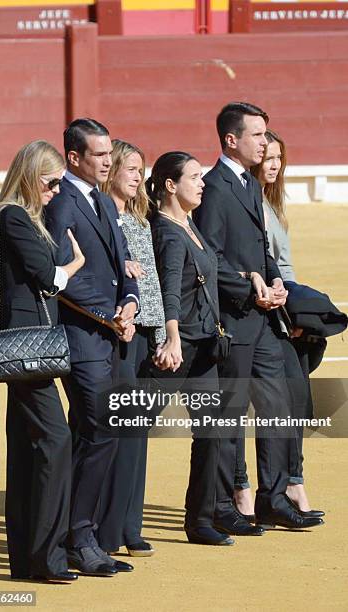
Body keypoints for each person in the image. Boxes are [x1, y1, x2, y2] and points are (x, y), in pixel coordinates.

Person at [193, 102, 324, 530]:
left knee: (279, 403)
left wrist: (275, 282)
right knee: (230, 415)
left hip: (264, 316)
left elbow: (260, 249)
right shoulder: (213, 188)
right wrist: (248, 286)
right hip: (233, 319)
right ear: (232, 140)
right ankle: (230, 503)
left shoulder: (247, 185)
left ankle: (274, 497)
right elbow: (208, 257)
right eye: (258, 135)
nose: (265, 142)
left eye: (266, 135)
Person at [44, 118, 139, 576]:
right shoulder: (61, 203)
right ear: (75, 158)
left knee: (93, 432)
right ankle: (80, 537)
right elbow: (65, 276)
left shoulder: (101, 200)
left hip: (109, 333)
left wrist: (131, 303)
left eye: (109, 153)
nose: (108, 161)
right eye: (100, 155)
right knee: (100, 429)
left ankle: (75, 534)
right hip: (81, 338)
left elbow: (123, 263)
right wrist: (110, 314)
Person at [0, 140, 85, 582]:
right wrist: (75, 263)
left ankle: (28, 558)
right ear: (30, 176)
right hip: (29, 348)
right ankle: (46, 557)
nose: (55, 190)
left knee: (28, 450)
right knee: (54, 441)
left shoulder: (22, 217)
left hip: (26, 345)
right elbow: (49, 278)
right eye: (50, 182)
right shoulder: (14, 216)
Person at [147, 151, 235, 547]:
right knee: (125, 428)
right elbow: (169, 288)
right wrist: (172, 336)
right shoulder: (167, 231)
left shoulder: (189, 224)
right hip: (178, 351)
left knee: (212, 433)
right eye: (195, 177)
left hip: (203, 350)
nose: (202, 183)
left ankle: (200, 520)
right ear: (170, 184)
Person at [97, 139, 165, 556]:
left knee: (137, 431)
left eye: (142, 170)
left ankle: (129, 525)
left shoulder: (140, 219)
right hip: (116, 331)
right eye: (132, 168)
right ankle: (108, 527)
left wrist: (159, 333)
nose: (139, 176)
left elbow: (154, 282)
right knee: (116, 428)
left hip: (143, 333)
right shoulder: (103, 219)